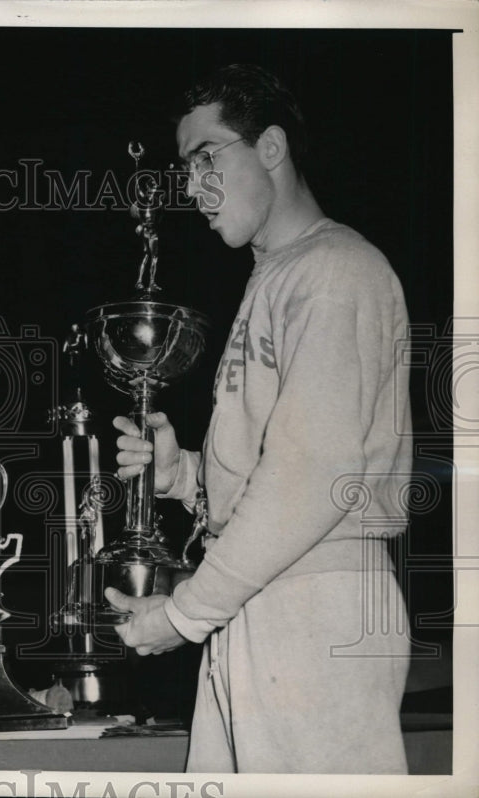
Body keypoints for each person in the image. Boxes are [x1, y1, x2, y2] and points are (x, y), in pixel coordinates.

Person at [107, 64, 412, 773]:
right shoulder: (277, 276)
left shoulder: (336, 272)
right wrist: (182, 476)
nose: (190, 188)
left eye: (203, 159)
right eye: (183, 170)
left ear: (271, 147)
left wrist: (182, 614)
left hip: (312, 602)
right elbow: (279, 465)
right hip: (260, 596)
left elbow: (311, 476)